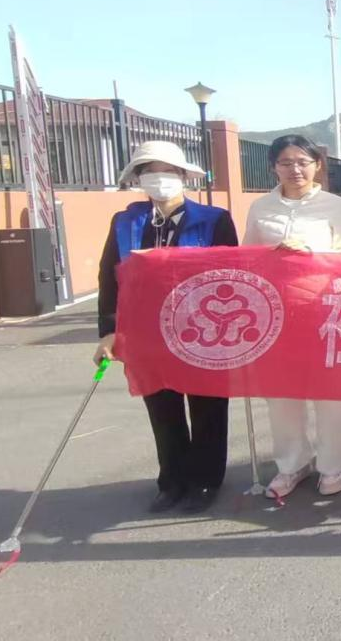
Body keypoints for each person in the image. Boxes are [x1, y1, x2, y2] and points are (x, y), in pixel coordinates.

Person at [94, 140, 238, 514]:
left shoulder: (214, 220)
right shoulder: (126, 222)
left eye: (168, 170)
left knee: (207, 404)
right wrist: (109, 331)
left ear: (183, 176)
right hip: (146, 330)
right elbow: (110, 278)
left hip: (203, 327)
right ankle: (172, 480)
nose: (159, 178)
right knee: (162, 405)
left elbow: (230, 273)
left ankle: (205, 480)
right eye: (150, 171)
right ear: (138, 178)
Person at [244, 135, 341, 500]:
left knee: (332, 393)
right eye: (286, 162)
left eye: (303, 162)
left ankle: (333, 464)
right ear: (274, 167)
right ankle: (292, 464)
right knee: (281, 394)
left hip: (325, 311)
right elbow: (247, 258)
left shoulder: (336, 206)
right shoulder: (261, 207)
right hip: (274, 315)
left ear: (317, 165)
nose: (295, 169)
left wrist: (309, 253)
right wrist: (271, 256)